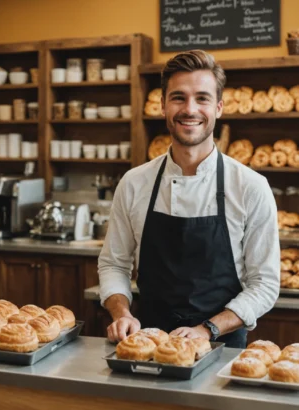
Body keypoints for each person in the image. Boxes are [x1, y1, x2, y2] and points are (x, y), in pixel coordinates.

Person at [98, 50, 280, 348]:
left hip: (221, 346)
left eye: (202, 98)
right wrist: (122, 313)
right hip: (146, 344)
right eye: (179, 97)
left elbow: (265, 285)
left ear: (219, 107)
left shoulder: (251, 187)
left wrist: (207, 329)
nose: (190, 109)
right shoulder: (133, 183)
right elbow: (113, 264)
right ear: (163, 106)